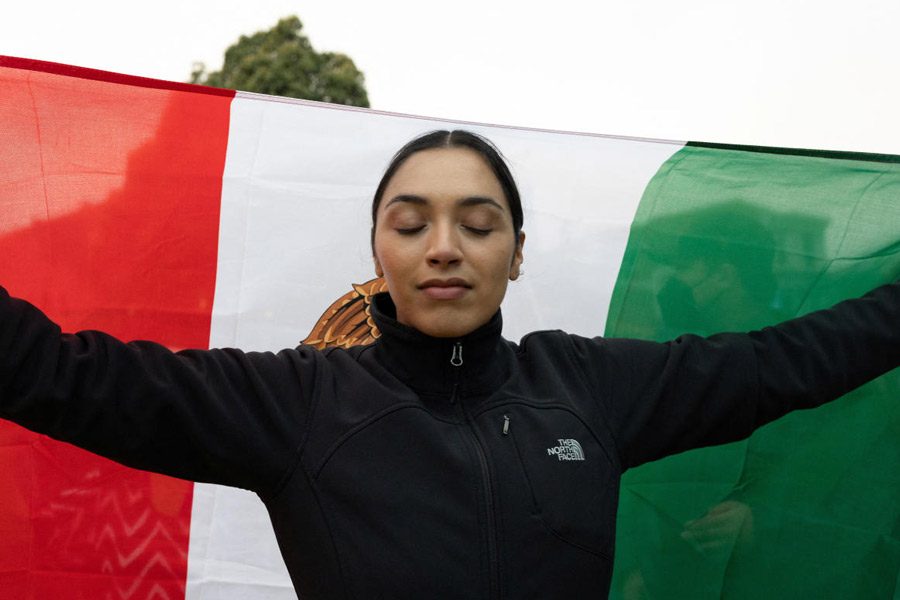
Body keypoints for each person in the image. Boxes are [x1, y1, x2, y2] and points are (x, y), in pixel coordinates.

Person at [1, 129, 899, 599]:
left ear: (515, 254)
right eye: (410, 223)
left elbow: (794, 359)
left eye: (477, 225)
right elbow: (66, 374)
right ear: (377, 250)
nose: (444, 248)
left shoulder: (589, 387)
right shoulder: (297, 401)